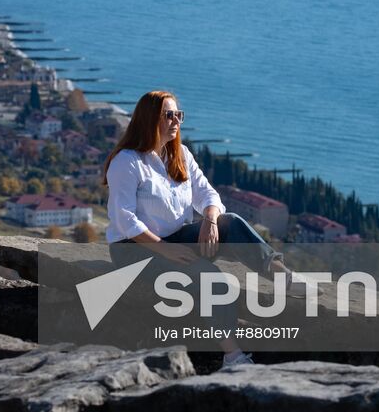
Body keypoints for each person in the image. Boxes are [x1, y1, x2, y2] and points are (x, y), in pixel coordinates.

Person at [103, 89, 289, 367]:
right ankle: (233, 356)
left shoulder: (181, 155)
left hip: (175, 239)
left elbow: (209, 196)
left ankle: (283, 276)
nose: (176, 120)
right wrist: (166, 251)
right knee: (209, 277)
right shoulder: (127, 162)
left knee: (232, 223)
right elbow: (125, 220)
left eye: (179, 114)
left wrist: (211, 220)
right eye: (169, 115)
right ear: (149, 119)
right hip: (135, 251)